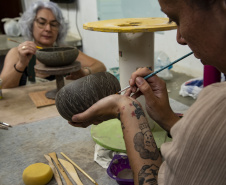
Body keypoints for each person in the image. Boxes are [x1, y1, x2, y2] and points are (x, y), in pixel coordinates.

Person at [68, 0, 226, 184]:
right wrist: (168, 119)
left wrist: (126, 109)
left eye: (177, 19)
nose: (180, 39)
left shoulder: (219, 104)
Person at [0, 1, 106, 89]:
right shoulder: (18, 53)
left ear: (60, 29)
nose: (48, 29)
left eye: (54, 24)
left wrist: (85, 72)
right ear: (30, 25)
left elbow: (101, 66)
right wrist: (21, 64)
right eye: (42, 23)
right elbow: (3, 88)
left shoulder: (65, 53)